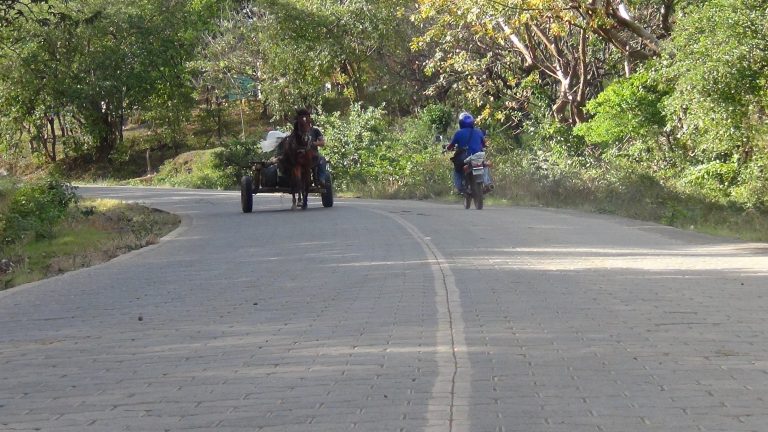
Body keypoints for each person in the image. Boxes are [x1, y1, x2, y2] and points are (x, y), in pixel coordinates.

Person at [445, 112, 492, 194]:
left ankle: (458, 187)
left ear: (460, 123)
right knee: (484, 166)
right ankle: (487, 183)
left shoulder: (458, 133)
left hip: (464, 157)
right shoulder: (478, 132)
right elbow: (484, 144)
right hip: (478, 156)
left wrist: (447, 148)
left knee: (457, 170)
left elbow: (450, 146)